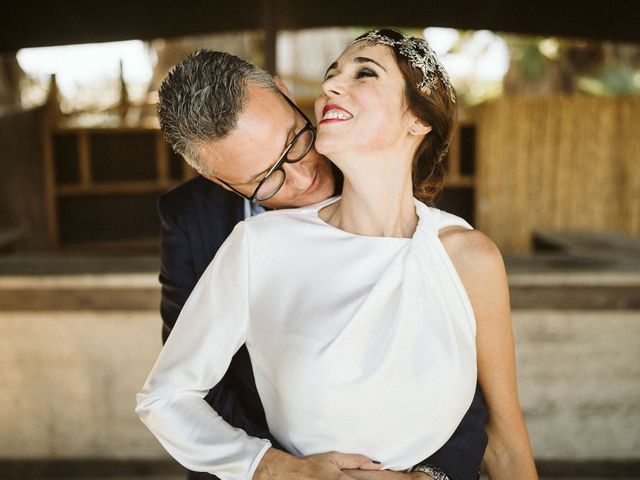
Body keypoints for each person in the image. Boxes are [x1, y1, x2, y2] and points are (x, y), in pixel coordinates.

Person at [142, 32, 517, 479]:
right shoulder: (238, 239)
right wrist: (279, 469)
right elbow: (186, 393)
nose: (303, 178)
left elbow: (475, 404)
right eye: (267, 179)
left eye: (297, 141)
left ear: (285, 93)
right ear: (222, 183)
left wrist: (427, 475)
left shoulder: (452, 243)